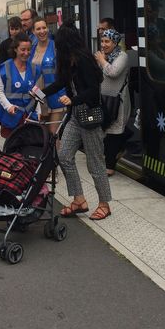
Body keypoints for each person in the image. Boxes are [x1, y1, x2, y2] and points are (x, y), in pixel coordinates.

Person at [36, 19, 112, 220]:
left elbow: (93, 90)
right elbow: (61, 82)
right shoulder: (68, 60)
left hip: (90, 115)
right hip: (76, 117)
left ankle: (104, 204)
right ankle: (79, 199)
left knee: (94, 163)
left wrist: (72, 99)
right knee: (65, 156)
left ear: (66, 44)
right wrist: (40, 93)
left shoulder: (84, 60)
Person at [94, 29, 132, 176]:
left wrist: (102, 61)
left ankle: (110, 166)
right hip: (104, 100)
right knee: (106, 131)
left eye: (107, 41)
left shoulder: (122, 56)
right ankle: (124, 142)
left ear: (115, 43)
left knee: (113, 133)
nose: (103, 44)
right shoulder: (103, 56)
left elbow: (113, 72)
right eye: (102, 41)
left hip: (118, 101)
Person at [0, 32, 41, 138]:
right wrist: (8, 106)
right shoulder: (4, 68)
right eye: (23, 49)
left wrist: (38, 112)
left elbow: (36, 90)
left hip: (29, 115)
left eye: (28, 50)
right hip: (11, 116)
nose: (26, 53)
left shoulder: (35, 69)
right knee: (12, 147)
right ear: (15, 49)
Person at [30, 17, 65, 135]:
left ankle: (57, 154)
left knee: (53, 133)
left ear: (48, 29)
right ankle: (49, 154)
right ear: (33, 32)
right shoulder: (32, 49)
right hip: (39, 97)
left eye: (44, 28)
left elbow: (63, 74)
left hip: (56, 97)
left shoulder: (56, 47)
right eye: (38, 29)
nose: (42, 31)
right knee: (43, 134)